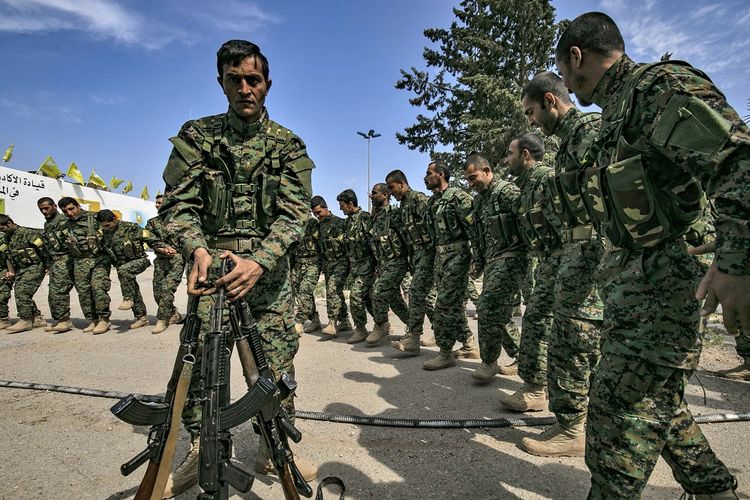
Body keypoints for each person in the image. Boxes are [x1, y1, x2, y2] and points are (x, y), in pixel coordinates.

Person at [555, 12, 746, 498]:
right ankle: (716, 491)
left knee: (614, 432)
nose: (567, 86)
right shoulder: (615, 113)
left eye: (563, 69)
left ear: (577, 56)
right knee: (656, 406)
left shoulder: (656, 86)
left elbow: (738, 158)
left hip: (662, 296)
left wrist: (737, 259)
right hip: (632, 295)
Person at [158, 39, 317, 497]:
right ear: (221, 82)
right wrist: (196, 250)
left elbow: (295, 212)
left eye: (254, 80)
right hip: (213, 271)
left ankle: (276, 448)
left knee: (275, 365)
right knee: (202, 368)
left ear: (268, 85)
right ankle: (198, 450)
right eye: (235, 79)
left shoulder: (288, 144)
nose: (245, 88)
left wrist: (260, 262)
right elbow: (177, 205)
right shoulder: (197, 136)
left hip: (265, 279)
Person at [518, 72, 604, 457]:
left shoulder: (591, 132)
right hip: (575, 257)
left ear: (550, 101)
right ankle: (574, 424)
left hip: (593, 260)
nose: (531, 121)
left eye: (532, 111)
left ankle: (575, 429)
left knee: (574, 341)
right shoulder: (568, 146)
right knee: (569, 340)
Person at [500, 132, 560, 412]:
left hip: (566, 262)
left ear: (525, 155)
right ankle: (536, 389)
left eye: (510, 153)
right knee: (537, 321)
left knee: (544, 323)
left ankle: (541, 390)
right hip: (547, 263)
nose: (506, 159)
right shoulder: (524, 188)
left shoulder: (548, 180)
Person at [463, 154, 527, 381]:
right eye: (468, 181)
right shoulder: (478, 201)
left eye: (473, 178)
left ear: (487, 171)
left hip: (512, 257)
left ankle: (489, 361)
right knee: (500, 313)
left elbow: (528, 222)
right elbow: (478, 236)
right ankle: (522, 356)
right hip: (492, 261)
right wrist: (478, 263)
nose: (471, 185)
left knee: (488, 306)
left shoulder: (507, 192)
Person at [422, 160, 478, 370]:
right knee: (453, 305)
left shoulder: (458, 197)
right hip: (440, 258)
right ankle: (468, 343)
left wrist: (477, 258)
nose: (426, 177)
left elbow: (473, 228)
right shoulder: (433, 202)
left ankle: (445, 352)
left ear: (442, 174)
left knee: (443, 303)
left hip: (458, 256)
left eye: (429, 173)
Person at [387, 169, 437, 354]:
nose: (391, 193)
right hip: (417, 255)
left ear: (401, 184)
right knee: (429, 299)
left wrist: (435, 254)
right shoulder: (403, 205)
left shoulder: (418, 199)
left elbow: (433, 224)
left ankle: (413, 338)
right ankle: (465, 340)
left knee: (416, 292)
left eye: (392, 188)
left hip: (428, 253)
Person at [58, 197, 112, 335]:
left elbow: (111, 231)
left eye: (71, 209)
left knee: (98, 287)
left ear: (78, 206)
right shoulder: (65, 225)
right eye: (65, 211)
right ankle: (92, 319)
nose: (69, 213)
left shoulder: (95, 218)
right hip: (80, 261)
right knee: (83, 291)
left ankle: (103, 319)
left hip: (99, 259)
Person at [367, 183, 409, 345]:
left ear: (385, 195)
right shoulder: (376, 217)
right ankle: (413, 328)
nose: (372, 196)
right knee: (393, 298)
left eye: (375, 193)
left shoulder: (395, 214)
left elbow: (406, 237)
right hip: (383, 264)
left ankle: (381, 325)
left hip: (397, 261)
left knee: (377, 291)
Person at [96, 209, 151, 330]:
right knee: (132, 287)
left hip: (139, 260)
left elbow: (150, 238)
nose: (105, 228)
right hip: (121, 265)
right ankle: (141, 317)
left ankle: (127, 298)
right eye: (102, 226)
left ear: (114, 220)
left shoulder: (131, 227)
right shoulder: (104, 233)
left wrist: (164, 248)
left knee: (124, 272)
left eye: (107, 225)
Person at [337, 188, 376, 343]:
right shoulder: (348, 222)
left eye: (342, 205)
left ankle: (360, 329)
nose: (340, 208)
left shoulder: (364, 218)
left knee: (355, 295)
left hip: (367, 264)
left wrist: (377, 265)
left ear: (350, 203)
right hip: (355, 266)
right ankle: (382, 323)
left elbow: (373, 242)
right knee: (366, 298)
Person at [145, 193, 185, 334]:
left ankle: (162, 320)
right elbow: (149, 239)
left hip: (177, 259)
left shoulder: (180, 221)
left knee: (167, 290)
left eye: (159, 202)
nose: (156, 205)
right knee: (157, 293)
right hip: (161, 260)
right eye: (156, 202)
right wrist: (162, 247)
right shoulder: (152, 222)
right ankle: (173, 314)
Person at [312, 195, 351, 336]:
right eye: (314, 213)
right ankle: (345, 321)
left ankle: (332, 323)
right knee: (336, 292)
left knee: (332, 289)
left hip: (341, 261)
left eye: (318, 212)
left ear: (325, 208)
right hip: (328, 264)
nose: (317, 216)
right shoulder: (318, 226)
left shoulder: (340, 223)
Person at [0, 215, 46, 333]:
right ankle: (37, 318)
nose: (2, 231)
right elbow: (7, 256)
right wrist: (11, 272)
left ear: (9, 223)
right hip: (22, 268)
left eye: (2, 228)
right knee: (23, 292)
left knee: (22, 291)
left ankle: (25, 320)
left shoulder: (28, 233)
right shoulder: (7, 237)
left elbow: (44, 249)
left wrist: (49, 266)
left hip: (35, 266)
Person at [37, 197, 75, 333]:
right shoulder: (48, 224)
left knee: (58, 291)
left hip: (66, 259)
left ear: (54, 206)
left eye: (46, 208)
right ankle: (61, 319)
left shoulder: (64, 221)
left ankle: (64, 320)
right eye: (41, 209)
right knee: (54, 292)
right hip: (55, 262)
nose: (43, 211)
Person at [292, 212, 322, 334]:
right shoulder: (292, 222)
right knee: (302, 293)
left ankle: (299, 321)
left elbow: (320, 242)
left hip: (312, 263)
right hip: (298, 263)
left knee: (305, 291)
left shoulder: (312, 222)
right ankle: (314, 320)